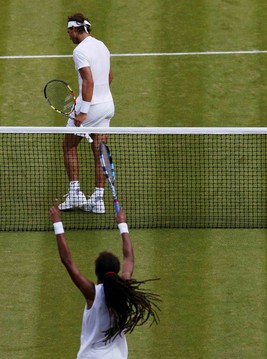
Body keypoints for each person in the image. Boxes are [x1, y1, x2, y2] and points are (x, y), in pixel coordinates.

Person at [49, 204, 160, 359]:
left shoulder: (92, 293)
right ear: (116, 270)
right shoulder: (124, 288)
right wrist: (122, 224)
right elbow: (129, 258)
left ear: (96, 273)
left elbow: (67, 261)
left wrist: (57, 222)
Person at [59, 13, 115, 214]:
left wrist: (84, 112)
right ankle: (98, 199)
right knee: (99, 151)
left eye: (68, 31)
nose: (68, 35)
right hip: (107, 104)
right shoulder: (102, 46)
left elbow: (88, 81)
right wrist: (100, 100)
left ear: (75, 29)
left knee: (68, 146)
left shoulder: (79, 51)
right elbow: (109, 76)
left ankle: (75, 194)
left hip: (89, 107)